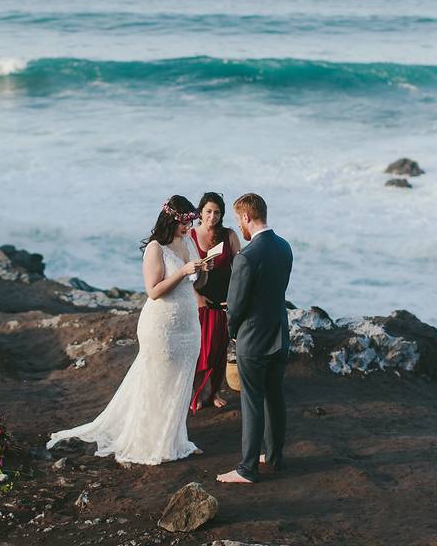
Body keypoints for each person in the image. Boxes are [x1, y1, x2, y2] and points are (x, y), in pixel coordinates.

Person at [47, 195, 210, 465]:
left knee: (181, 380)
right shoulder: (155, 249)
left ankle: (175, 439)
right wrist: (183, 272)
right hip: (161, 325)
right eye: (184, 223)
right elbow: (153, 291)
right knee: (158, 381)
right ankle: (150, 442)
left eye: (190, 222)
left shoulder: (189, 241)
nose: (188, 227)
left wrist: (204, 270)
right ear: (171, 220)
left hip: (188, 323)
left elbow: (197, 284)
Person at [216, 193, 293, 484]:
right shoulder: (285, 248)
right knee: (275, 397)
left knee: (251, 401)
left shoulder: (246, 257)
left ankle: (247, 468)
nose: (240, 226)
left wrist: (233, 331)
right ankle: (274, 457)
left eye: (239, 220)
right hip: (279, 333)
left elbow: (235, 307)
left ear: (246, 217)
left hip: (253, 339)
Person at [189, 191, 242, 413]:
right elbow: (183, 272)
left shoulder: (229, 235)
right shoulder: (190, 236)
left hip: (224, 301)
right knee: (200, 350)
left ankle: (214, 392)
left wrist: (237, 298)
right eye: (208, 211)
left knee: (220, 349)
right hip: (199, 300)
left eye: (217, 212)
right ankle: (197, 393)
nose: (213, 216)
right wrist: (197, 298)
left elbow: (241, 268)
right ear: (200, 212)